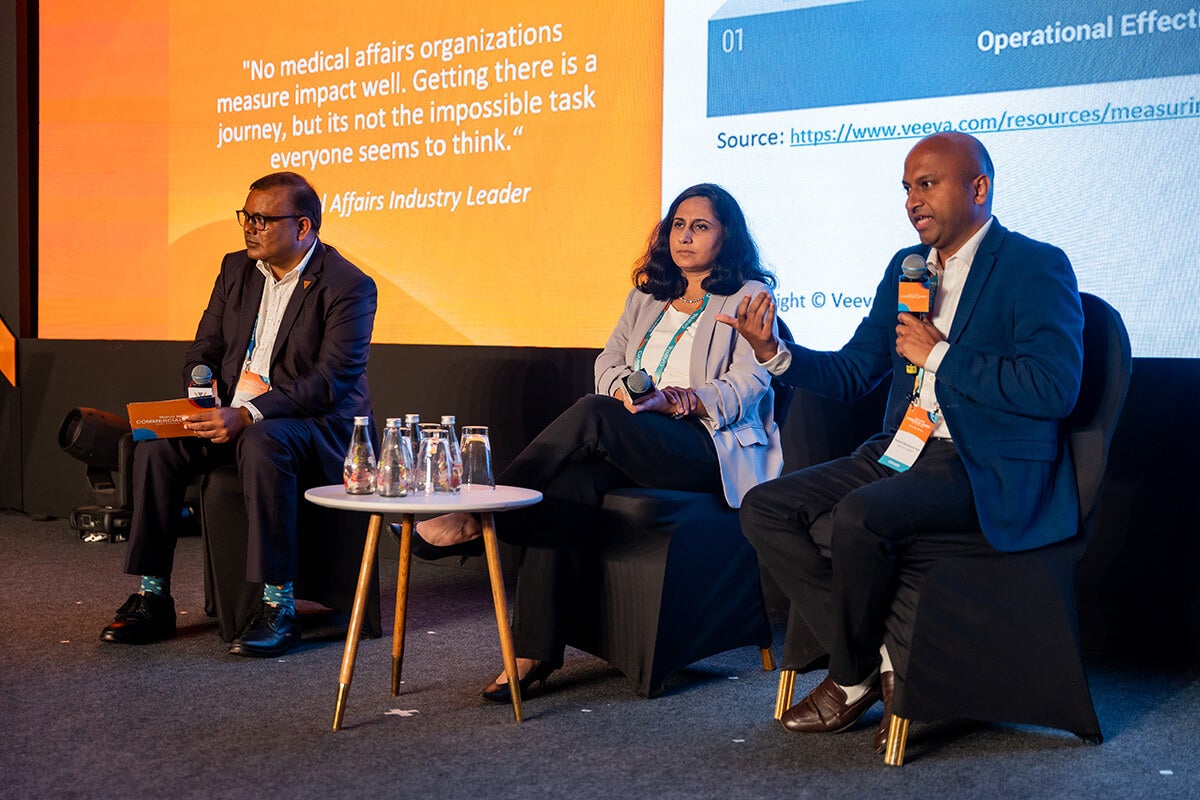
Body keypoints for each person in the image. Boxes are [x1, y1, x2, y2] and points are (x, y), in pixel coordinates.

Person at [718, 132, 1084, 753]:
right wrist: (775, 352)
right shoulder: (906, 268)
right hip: (901, 448)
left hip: (981, 462)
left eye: (927, 184)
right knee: (765, 507)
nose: (913, 200)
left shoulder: (1035, 265)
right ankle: (871, 661)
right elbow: (855, 371)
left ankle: (845, 678)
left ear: (978, 188)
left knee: (861, 516)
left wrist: (939, 354)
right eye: (907, 188)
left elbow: (1053, 389)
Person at [406, 183, 783, 700]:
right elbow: (608, 361)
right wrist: (628, 391)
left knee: (592, 413)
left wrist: (680, 401)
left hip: (706, 446)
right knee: (569, 485)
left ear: (727, 236)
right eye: (678, 225)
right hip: (637, 433)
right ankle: (533, 651)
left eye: (700, 227)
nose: (685, 236)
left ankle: (482, 514)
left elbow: (751, 383)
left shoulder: (749, 297)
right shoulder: (647, 296)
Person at [100, 171, 378, 658]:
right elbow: (204, 347)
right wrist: (202, 390)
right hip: (235, 412)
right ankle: (153, 594)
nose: (250, 227)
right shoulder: (235, 269)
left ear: (303, 227)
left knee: (263, 440)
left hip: (317, 424)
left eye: (263, 219)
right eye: (246, 217)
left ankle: (278, 606)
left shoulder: (348, 285)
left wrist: (248, 413)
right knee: (156, 445)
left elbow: (330, 381)